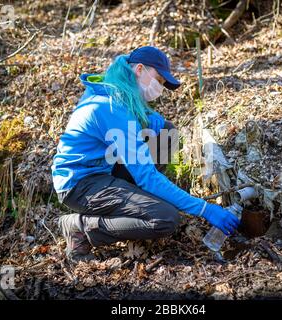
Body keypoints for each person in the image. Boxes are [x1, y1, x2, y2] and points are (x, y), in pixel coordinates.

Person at [51, 46, 240, 262]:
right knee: (166, 218)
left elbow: (145, 128)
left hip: (104, 170)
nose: (159, 88)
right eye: (159, 80)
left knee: (166, 133)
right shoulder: (111, 108)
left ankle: (143, 200)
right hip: (79, 185)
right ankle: (81, 227)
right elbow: (146, 175)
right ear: (139, 69)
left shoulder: (115, 91)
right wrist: (205, 209)